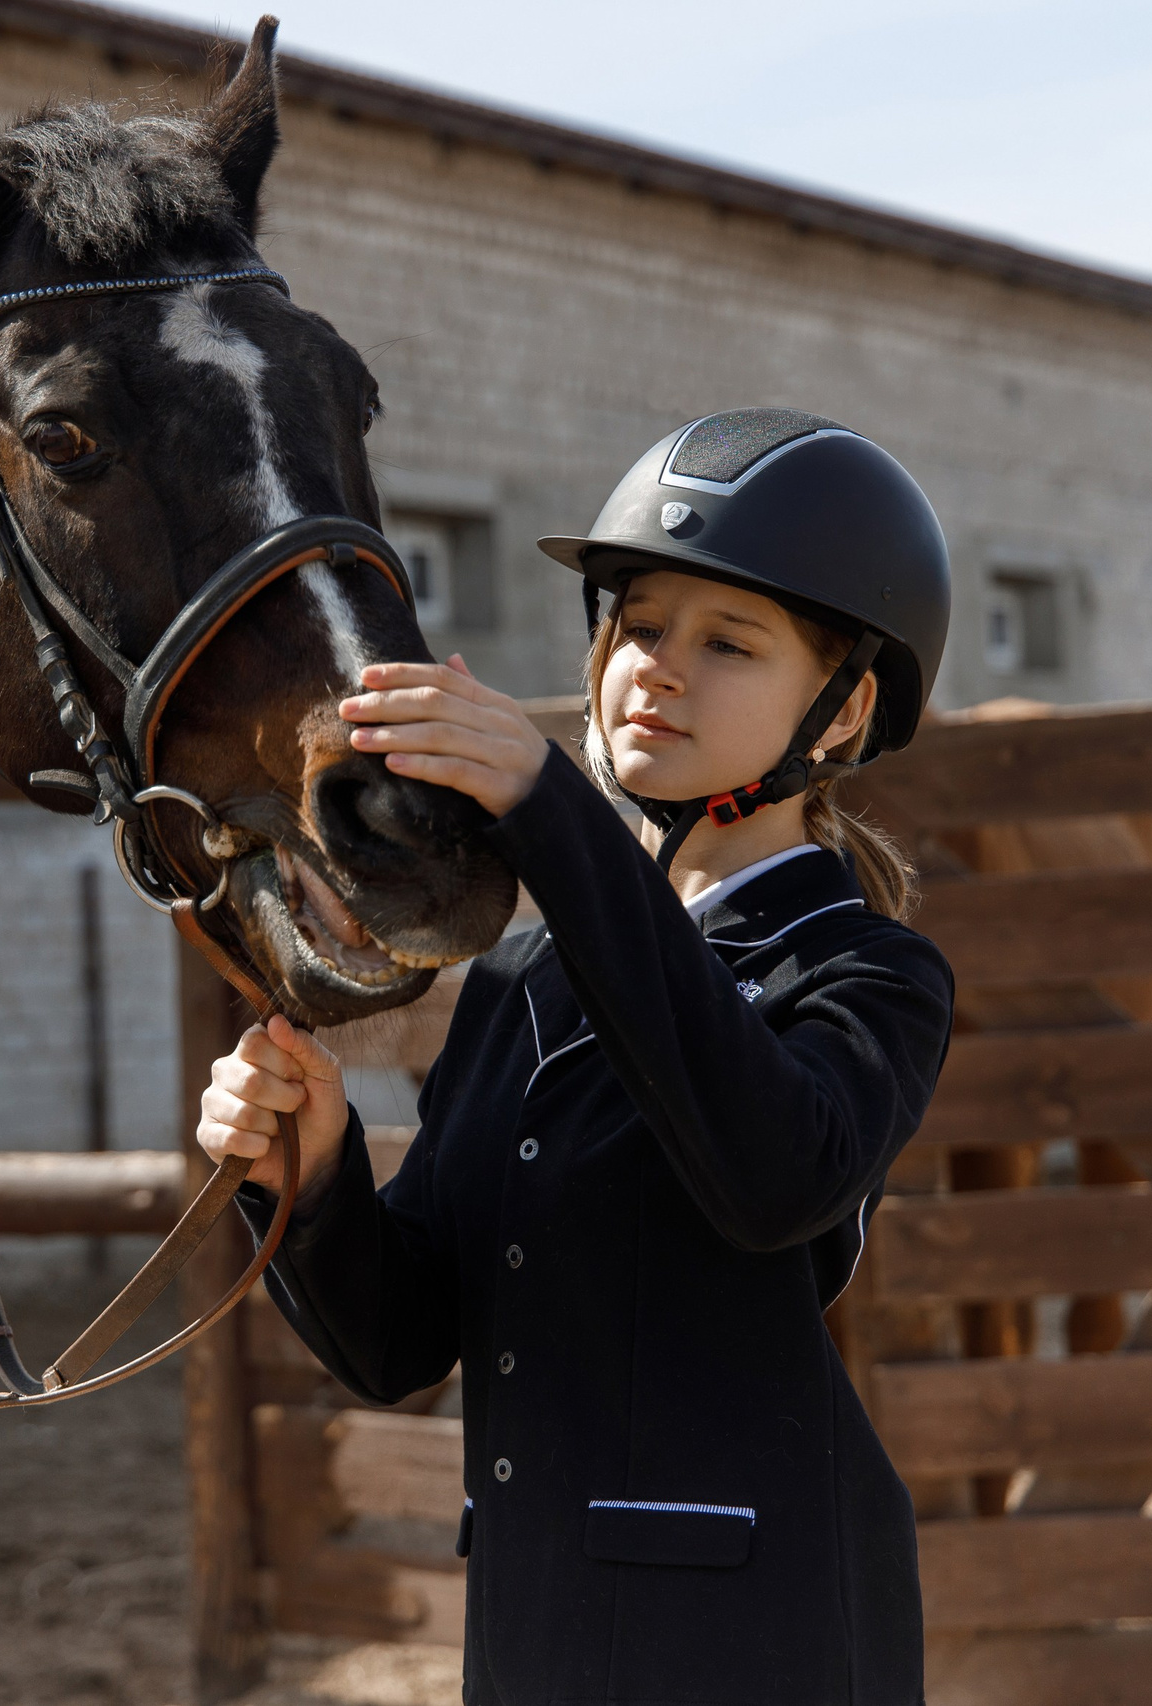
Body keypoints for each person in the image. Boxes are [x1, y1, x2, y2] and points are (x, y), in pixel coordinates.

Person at [199, 409, 956, 1704]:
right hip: (530, 1641)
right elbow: (402, 1341)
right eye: (644, 624)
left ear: (843, 712)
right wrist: (311, 1178)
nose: (660, 668)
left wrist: (555, 817)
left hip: (757, 1644)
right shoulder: (515, 981)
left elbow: (771, 1173)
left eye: (729, 642)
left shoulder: (869, 973)